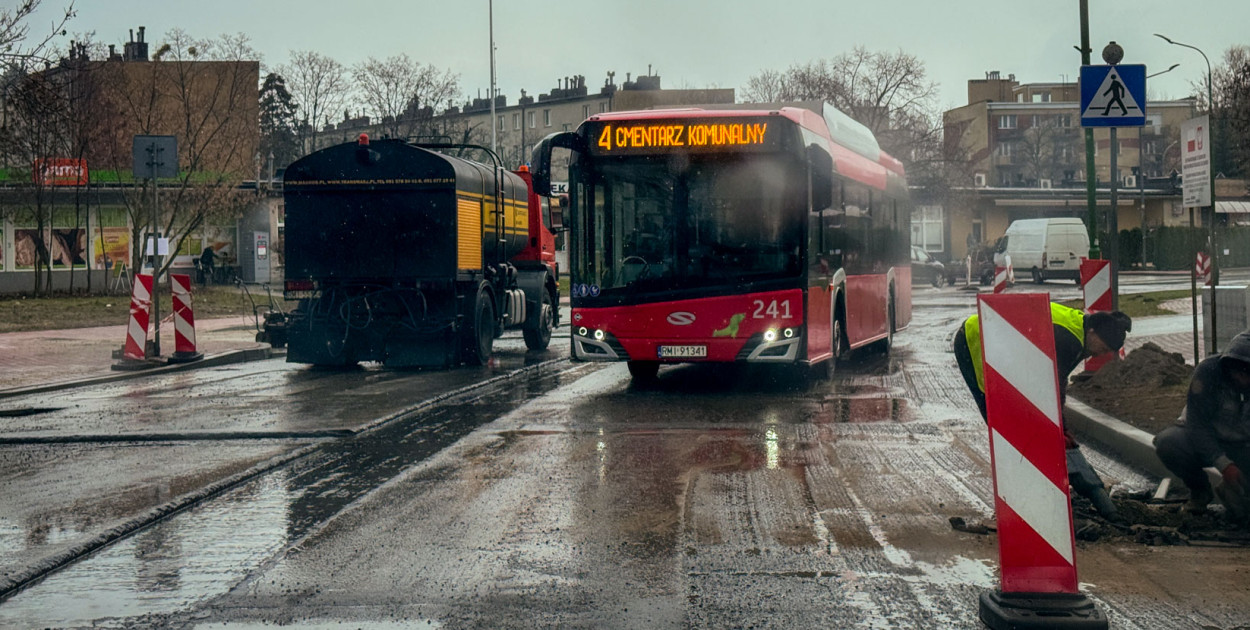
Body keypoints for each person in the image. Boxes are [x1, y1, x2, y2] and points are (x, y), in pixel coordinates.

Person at [953, 303, 1133, 519]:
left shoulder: (1080, 331)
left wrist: (1060, 429)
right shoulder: (1068, 339)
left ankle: (1034, 490)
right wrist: (1057, 429)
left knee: (1023, 423)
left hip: (1004, 344)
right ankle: (1017, 504)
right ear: (1093, 332)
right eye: (1102, 348)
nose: (1100, 355)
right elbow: (1050, 388)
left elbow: (1057, 383)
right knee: (1001, 421)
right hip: (978, 340)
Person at [1154, 331, 1250, 517]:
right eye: (1238, 373)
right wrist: (1225, 466)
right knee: (1169, 443)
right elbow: (1197, 426)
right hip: (1206, 438)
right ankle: (1200, 492)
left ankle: (1233, 494)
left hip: (1244, 445)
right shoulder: (1208, 372)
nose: (1243, 379)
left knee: (1243, 512)